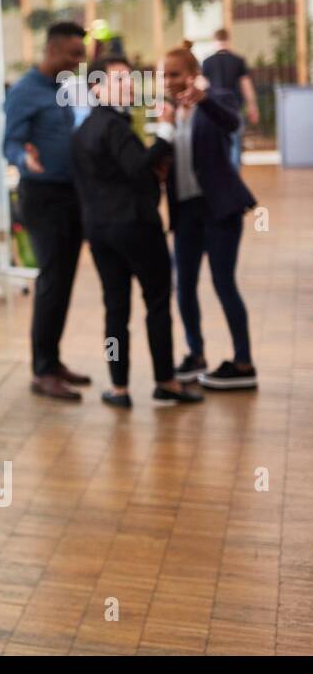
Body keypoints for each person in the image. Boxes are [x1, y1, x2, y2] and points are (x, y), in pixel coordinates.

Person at [70, 57, 202, 407]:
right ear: (96, 87)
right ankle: (166, 381)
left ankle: (119, 387)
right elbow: (137, 167)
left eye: (130, 80)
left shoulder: (83, 130)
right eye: (118, 81)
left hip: (100, 233)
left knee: (115, 309)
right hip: (136, 229)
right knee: (157, 304)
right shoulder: (114, 126)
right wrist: (166, 131)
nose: (128, 86)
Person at [2, 21, 92, 401]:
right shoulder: (25, 91)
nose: (78, 61)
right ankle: (42, 371)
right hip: (42, 197)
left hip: (72, 195)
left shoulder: (63, 89)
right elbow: (10, 143)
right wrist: (26, 157)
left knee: (64, 279)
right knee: (52, 280)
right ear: (52, 49)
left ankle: (52, 361)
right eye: (73, 54)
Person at [161, 47, 259, 390]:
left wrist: (203, 100)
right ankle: (196, 354)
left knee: (223, 283)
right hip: (186, 212)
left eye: (174, 74)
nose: (168, 81)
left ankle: (244, 362)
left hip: (219, 208)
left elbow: (232, 123)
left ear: (191, 73)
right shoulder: (169, 113)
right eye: (164, 75)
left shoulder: (216, 99)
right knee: (183, 287)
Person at [201, 28, 260, 169]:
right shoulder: (238, 61)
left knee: (215, 143)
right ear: (228, 40)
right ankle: (234, 176)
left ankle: (219, 174)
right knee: (235, 144)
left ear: (215, 41)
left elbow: (203, 86)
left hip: (213, 109)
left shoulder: (207, 62)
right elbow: (246, 86)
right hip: (234, 108)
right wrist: (252, 107)